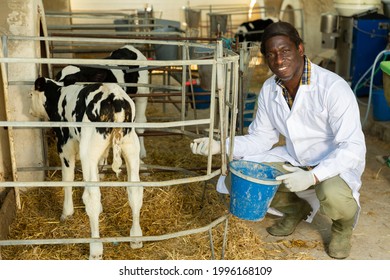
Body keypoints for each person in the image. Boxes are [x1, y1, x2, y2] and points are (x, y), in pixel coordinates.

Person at [190, 21, 366, 259]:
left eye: (285, 51)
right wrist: (222, 145)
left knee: (332, 192)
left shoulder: (333, 87)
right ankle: (295, 210)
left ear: (300, 49)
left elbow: (352, 147)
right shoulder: (269, 88)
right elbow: (261, 139)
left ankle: (342, 228)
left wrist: (313, 175)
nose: (279, 60)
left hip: (333, 164)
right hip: (294, 158)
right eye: (271, 54)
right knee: (238, 176)